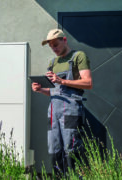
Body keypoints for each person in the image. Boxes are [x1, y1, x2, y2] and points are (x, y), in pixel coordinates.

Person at [32, 29, 93, 175]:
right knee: (54, 147)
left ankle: (77, 177)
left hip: (71, 108)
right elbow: (54, 91)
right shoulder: (53, 63)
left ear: (64, 40)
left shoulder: (79, 56)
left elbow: (88, 83)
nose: (54, 48)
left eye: (56, 44)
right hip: (53, 110)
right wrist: (41, 90)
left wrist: (62, 80)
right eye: (51, 46)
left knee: (71, 145)